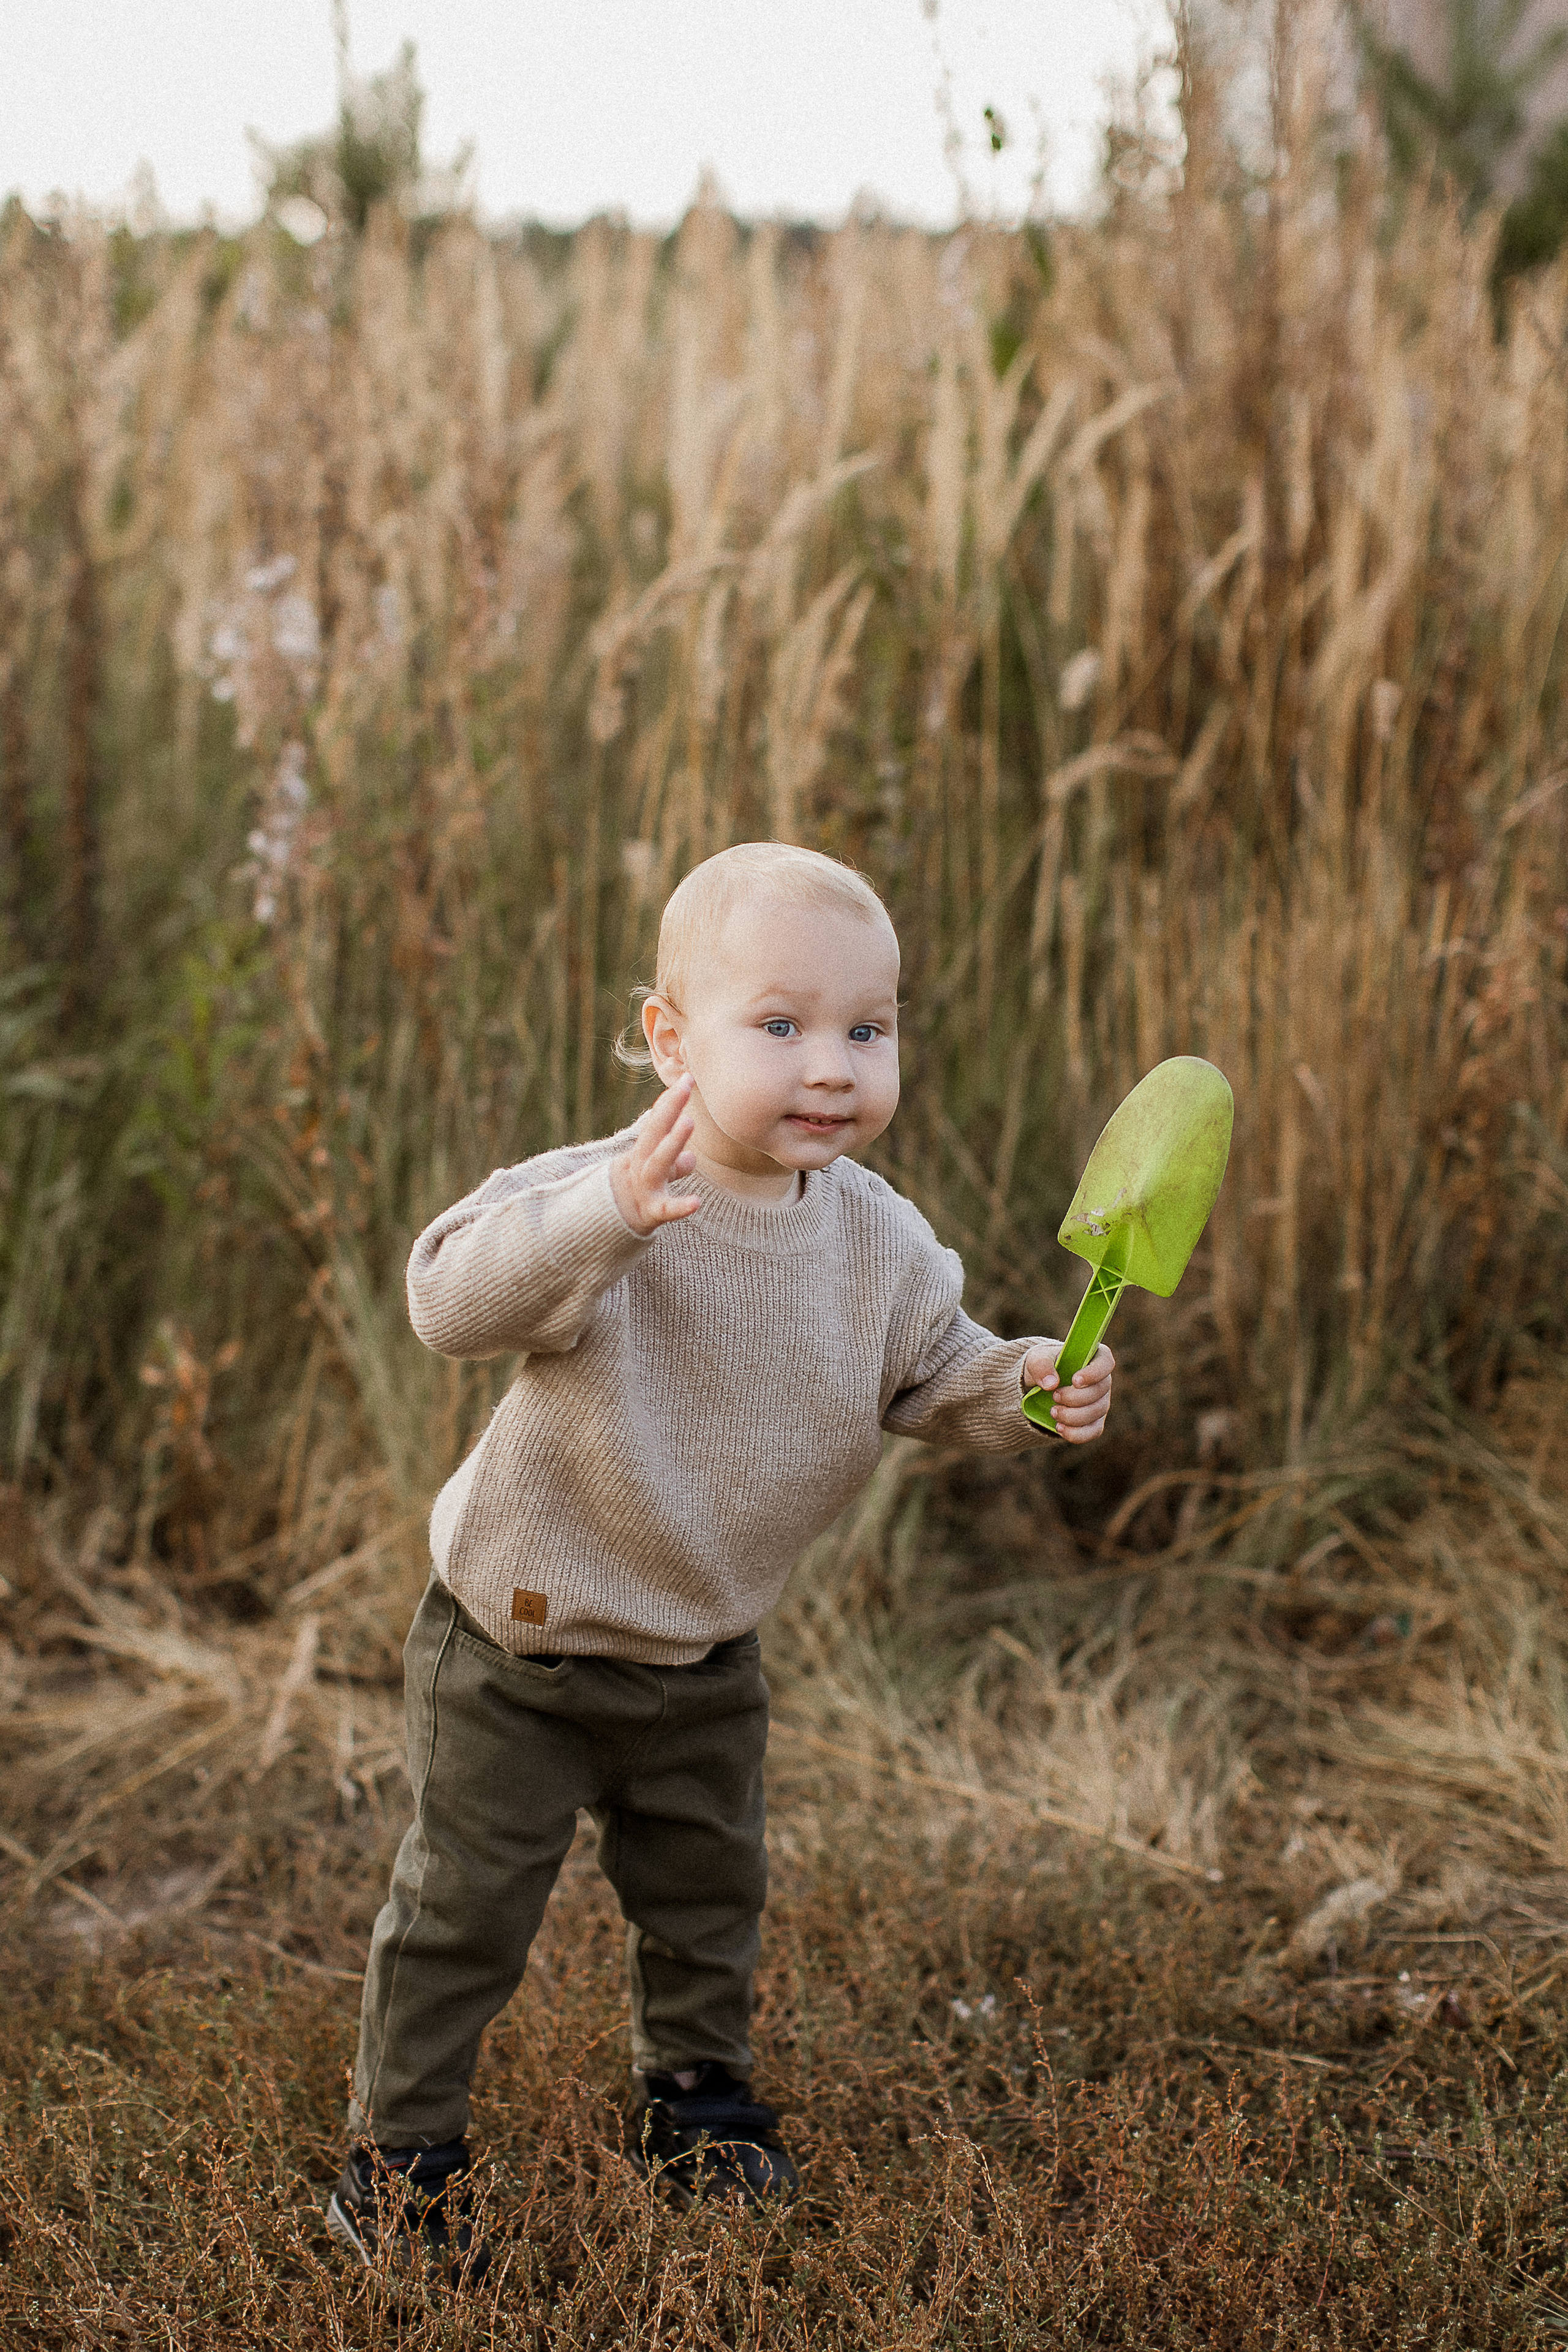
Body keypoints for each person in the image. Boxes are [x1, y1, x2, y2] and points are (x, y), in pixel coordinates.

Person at [328, 841, 1114, 2278]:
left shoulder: (877, 1241)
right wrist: (605, 1218)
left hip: (703, 1649)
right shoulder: (603, 1191)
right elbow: (447, 1298)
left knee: (706, 1892)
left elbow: (926, 1373)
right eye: (781, 1025)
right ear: (666, 1040)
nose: (831, 1067)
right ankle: (402, 2152)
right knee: (463, 1906)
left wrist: (1026, 1386)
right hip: (520, 1642)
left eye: (865, 1031)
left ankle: (698, 2100)